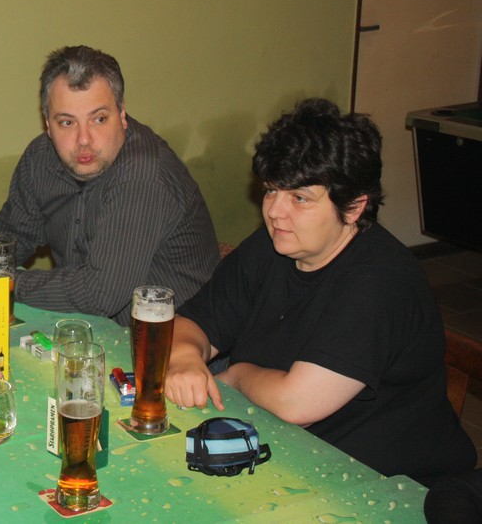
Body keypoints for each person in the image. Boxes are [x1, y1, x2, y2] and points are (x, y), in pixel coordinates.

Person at [164, 98, 474, 485]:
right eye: (271, 191)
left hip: (390, 485)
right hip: (288, 454)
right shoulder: (274, 245)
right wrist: (186, 358)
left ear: (354, 207)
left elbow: (297, 404)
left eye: (300, 198)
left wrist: (239, 375)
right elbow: (190, 324)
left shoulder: (381, 282)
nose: (275, 211)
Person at [0, 45, 219, 326]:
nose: (84, 139)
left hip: (173, 341)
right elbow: (17, 231)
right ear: (48, 125)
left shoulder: (144, 175)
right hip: (85, 329)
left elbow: (101, 294)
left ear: (122, 115)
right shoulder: (40, 157)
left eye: (99, 119)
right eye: (67, 123)